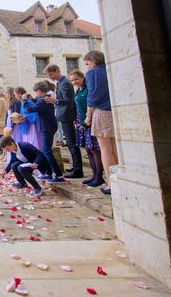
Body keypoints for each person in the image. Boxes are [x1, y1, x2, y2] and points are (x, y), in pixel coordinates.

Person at [83, 50, 118, 195]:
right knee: (115, 147)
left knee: (104, 148)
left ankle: (111, 183)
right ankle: (119, 178)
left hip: (101, 111)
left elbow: (93, 94)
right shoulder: (111, 68)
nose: (88, 67)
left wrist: (88, 115)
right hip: (113, 110)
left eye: (88, 63)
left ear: (93, 60)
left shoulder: (93, 73)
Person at [44, 64, 83, 178]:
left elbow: (67, 100)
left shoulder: (65, 82)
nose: (50, 77)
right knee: (70, 144)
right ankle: (75, 166)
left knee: (72, 143)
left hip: (67, 115)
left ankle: (78, 170)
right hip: (63, 115)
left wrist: (54, 101)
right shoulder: (60, 82)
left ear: (57, 71)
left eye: (51, 74)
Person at [22, 81, 65, 183]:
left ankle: (58, 175)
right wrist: (30, 99)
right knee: (45, 151)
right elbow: (37, 100)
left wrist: (24, 100)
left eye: (36, 92)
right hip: (47, 126)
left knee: (46, 151)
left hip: (46, 127)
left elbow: (30, 109)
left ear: (39, 91)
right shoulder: (44, 99)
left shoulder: (44, 100)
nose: (35, 94)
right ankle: (48, 173)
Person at [69, 70, 105, 186]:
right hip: (80, 119)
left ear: (82, 78)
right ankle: (94, 175)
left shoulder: (88, 88)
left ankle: (99, 176)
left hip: (89, 120)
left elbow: (91, 104)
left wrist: (87, 120)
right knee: (88, 149)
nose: (74, 82)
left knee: (94, 149)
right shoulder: (78, 90)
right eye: (72, 80)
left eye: (76, 79)